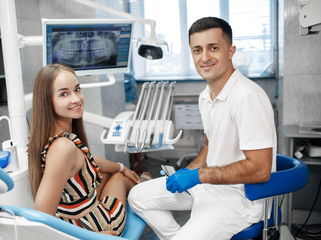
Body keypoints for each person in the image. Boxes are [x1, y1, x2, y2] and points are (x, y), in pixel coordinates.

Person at [128, 16, 277, 240]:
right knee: (137, 196)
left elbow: (260, 169)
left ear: (230, 51)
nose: (205, 57)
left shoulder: (247, 97)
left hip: (239, 200)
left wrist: (199, 175)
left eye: (213, 48)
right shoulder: (205, 96)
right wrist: (190, 171)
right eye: (197, 50)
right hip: (209, 186)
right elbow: (210, 143)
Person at [28, 63, 141, 236]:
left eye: (77, 89)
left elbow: (88, 158)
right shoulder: (63, 147)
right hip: (96, 228)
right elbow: (40, 219)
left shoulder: (51, 137)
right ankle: (145, 183)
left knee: (115, 173)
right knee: (119, 178)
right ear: (47, 101)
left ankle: (140, 181)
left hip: (73, 219)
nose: (76, 99)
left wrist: (121, 167)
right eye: (64, 94)